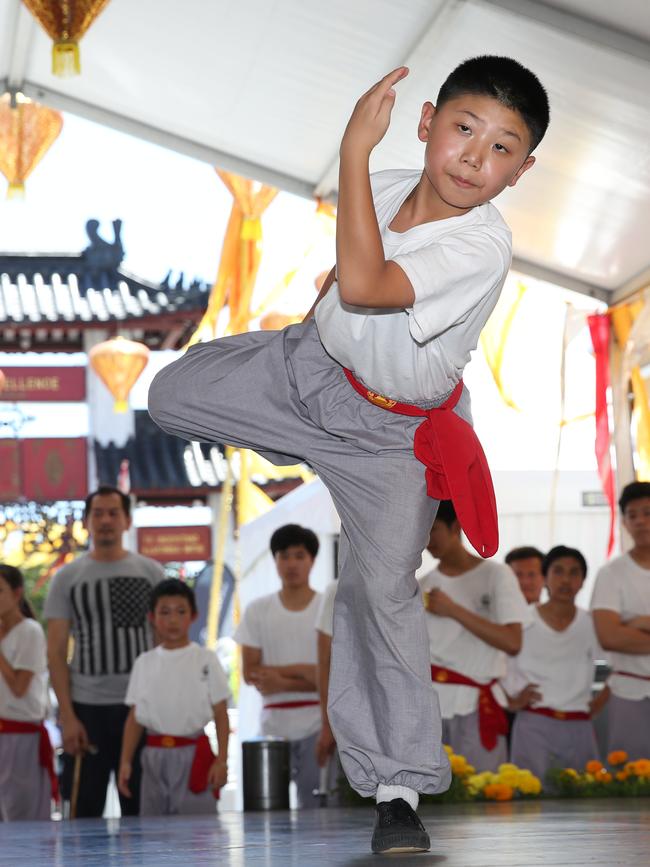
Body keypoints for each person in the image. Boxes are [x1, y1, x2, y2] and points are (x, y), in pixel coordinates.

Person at [148, 56, 549, 852]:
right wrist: (311, 335)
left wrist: (349, 152)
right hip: (311, 375)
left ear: (521, 171)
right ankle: (296, 425)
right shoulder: (396, 177)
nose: (476, 157)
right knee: (168, 397)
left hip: (394, 436)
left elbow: (366, 284)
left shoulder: (482, 245)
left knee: (382, 593)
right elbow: (341, 274)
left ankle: (398, 788)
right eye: (465, 129)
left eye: (503, 148)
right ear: (429, 121)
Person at [44, 486, 165, 817]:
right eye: (98, 513)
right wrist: (67, 718)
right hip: (86, 710)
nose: (106, 520)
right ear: (86, 522)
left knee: (143, 812)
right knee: (82, 815)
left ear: (127, 520)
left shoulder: (152, 573)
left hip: (140, 707)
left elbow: (164, 645)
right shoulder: (66, 578)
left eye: (114, 513)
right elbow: (55, 652)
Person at [421, 501, 529, 772]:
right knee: (432, 796)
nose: (426, 539)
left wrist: (453, 609)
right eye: (420, 531)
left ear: (456, 527)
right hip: (430, 705)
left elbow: (512, 642)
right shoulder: (421, 586)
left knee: (484, 793)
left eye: (432, 529)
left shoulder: (496, 575)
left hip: (476, 704)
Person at [118, 579, 230, 815]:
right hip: (153, 756)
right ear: (152, 617)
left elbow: (221, 714)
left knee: (199, 837)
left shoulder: (206, 659)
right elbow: (134, 718)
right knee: (154, 836)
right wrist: (125, 761)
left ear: (193, 615)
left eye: (180, 612)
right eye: (164, 612)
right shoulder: (144, 662)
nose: (172, 620)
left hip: (194, 754)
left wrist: (221, 760)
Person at [235, 524, 322, 808]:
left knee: (318, 816)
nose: (291, 564)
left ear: (312, 560)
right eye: (284, 556)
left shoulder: (327, 607)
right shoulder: (258, 610)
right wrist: (309, 672)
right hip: (273, 726)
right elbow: (251, 672)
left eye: (299, 555)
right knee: (269, 813)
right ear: (275, 560)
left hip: (319, 723)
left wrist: (281, 679)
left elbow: (335, 675)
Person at [505, 546, 607, 784]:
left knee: (585, 801)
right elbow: (498, 666)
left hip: (579, 724)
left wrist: (598, 703)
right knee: (528, 799)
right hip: (533, 723)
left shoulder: (592, 623)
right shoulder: (522, 620)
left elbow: (619, 664)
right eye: (558, 571)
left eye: (574, 573)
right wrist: (511, 701)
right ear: (545, 577)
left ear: (583, 581)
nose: (566, 580)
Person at [591, 481, 650, 759]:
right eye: (633, 515)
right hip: (628, 691)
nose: (640, 521)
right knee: (628, 783)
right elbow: (609, 637)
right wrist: (623, 629)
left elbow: (619, 633)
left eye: (647, 513)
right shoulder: (611, 574)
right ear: (624, 522)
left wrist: (636, 623)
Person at [0, 565, 57, 821]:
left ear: (17, 593)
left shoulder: (30, 631)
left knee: (22, 820)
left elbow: (19, 687)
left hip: (20, 736)